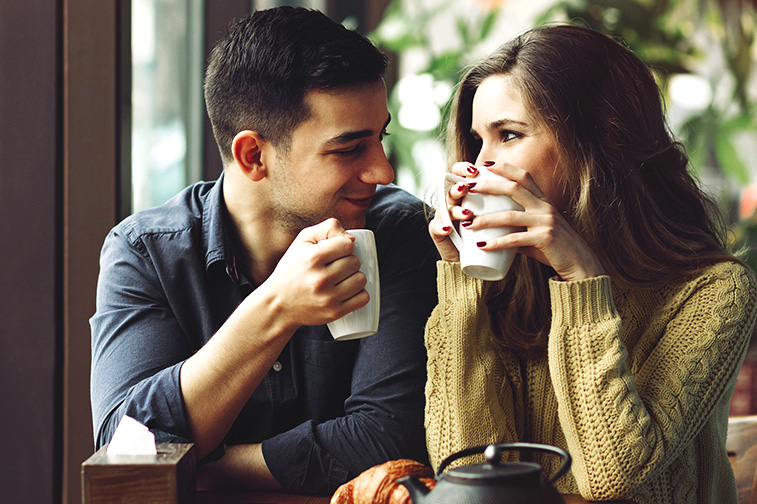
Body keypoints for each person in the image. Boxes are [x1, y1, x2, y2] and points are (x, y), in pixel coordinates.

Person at [89, 7, 437, 495]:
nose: (383, 171)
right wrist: (277, 307)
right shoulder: (147, 254)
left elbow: (389, 439)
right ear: (253, 155)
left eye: (381, 138)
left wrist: (205, 467)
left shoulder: (400, 232)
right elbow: (127, 451)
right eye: (349, 148)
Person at [421, 24, 757, 504]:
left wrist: (580, 280)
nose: (481, 164)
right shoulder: (506, 284)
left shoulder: (714, 291)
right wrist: (462, 283)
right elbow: (468, 473)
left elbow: (611, 476)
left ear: (595, 141)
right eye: (477, 142)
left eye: (508, 135)